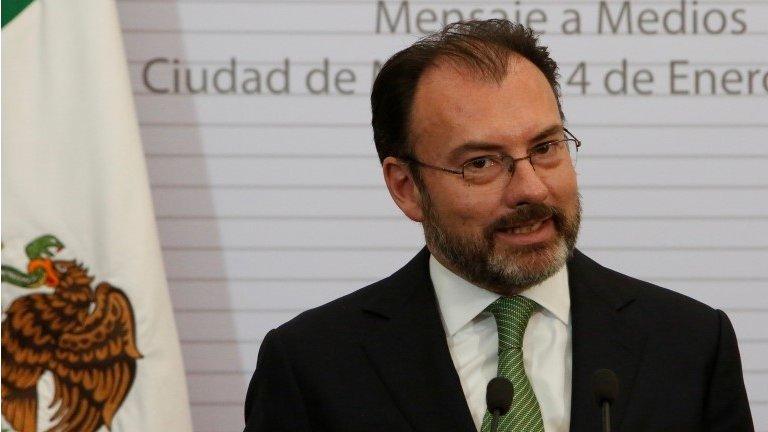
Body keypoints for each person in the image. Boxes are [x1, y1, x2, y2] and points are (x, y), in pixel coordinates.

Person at [243, 19, 754, 432]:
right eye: (482, 163)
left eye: (545, 148)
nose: (530, 188)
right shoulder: (313, 364)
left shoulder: (688, 343)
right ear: (406, 187)